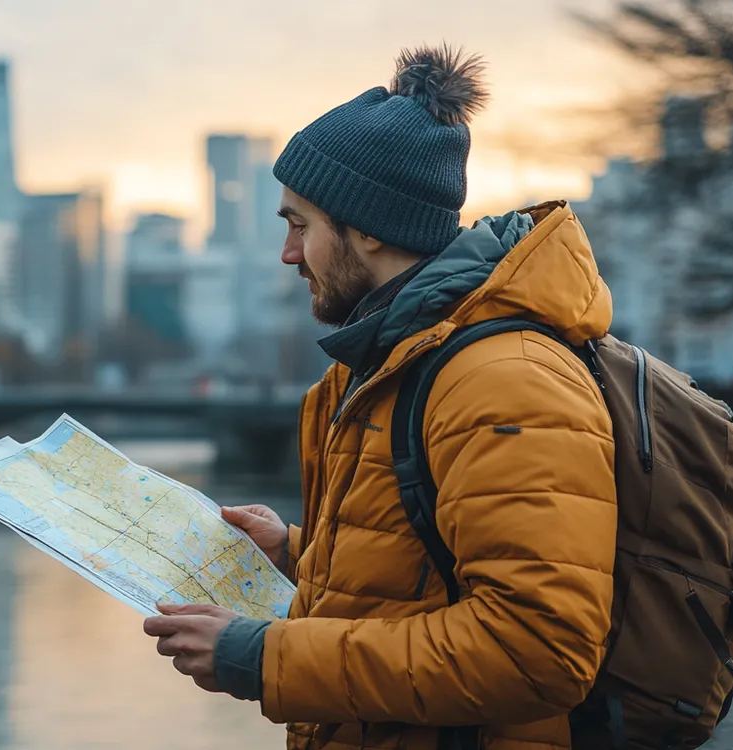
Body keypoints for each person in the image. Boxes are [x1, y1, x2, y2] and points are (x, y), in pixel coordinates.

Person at [144, 44, 618, 750]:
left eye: (300, 225)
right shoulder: (392, 364)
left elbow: (538, 651)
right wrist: (299, 554)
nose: (287, 254)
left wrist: (264, 659)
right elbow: (433, 576)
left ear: (368, 227)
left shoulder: (503, 381)